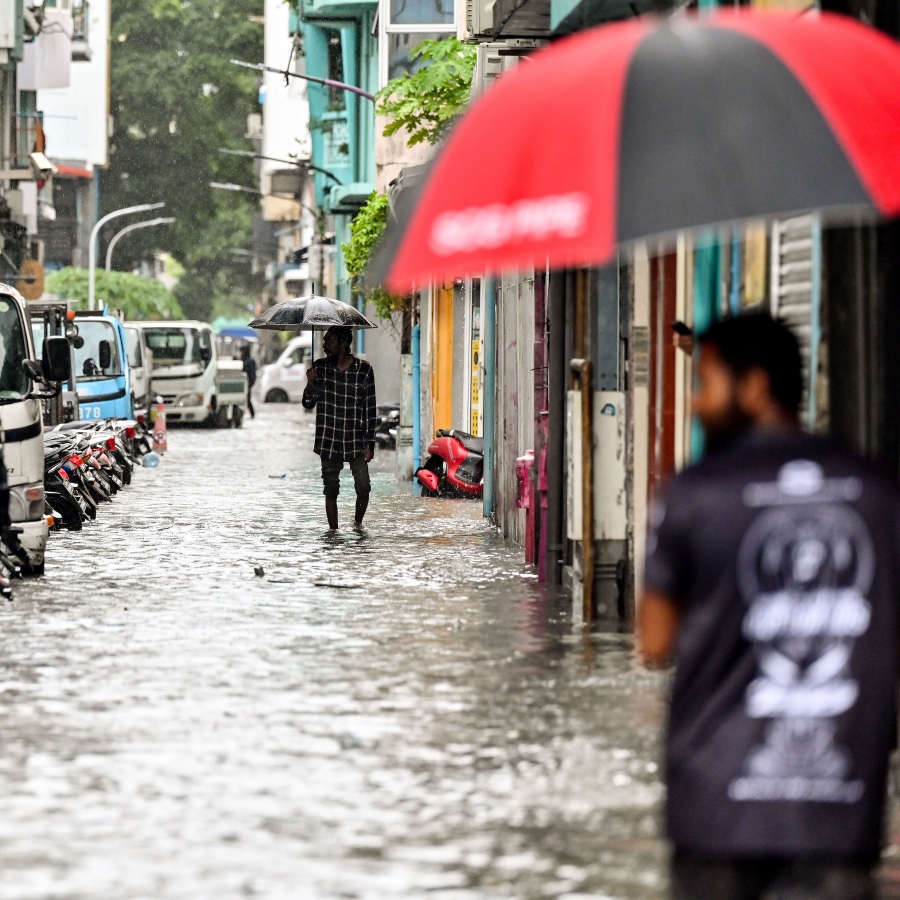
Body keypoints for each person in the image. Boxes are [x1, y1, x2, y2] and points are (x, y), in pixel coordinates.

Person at [638, 313, 900, 900]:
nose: (698, 403)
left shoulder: (694, 493)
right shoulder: (878, 492)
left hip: (717, 812)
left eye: (706, 382)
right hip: (838, 809)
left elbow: (654, 643)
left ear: (754, 387)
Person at [302, 325, 376, 530]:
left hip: (355, 439)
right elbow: (308, 403)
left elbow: (370, 410)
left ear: (343, 344)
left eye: (329, 341)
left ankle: (357, 525)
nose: (325, 345)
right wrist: (310, 383)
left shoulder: (364, 370)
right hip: (329, 439)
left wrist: (370, 444)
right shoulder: (320, 368)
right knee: (331, 488)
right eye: (324, 341)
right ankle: (333, 533)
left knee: (364, 487)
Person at [240, 345, 257, 419]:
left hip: (247, 384)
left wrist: (250, 385)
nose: (241, 353)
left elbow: (252, 374)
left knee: (247, 400)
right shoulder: (243, 360)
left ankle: (252, 414)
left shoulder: (249, 361)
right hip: (243, 384)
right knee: (244, 400)